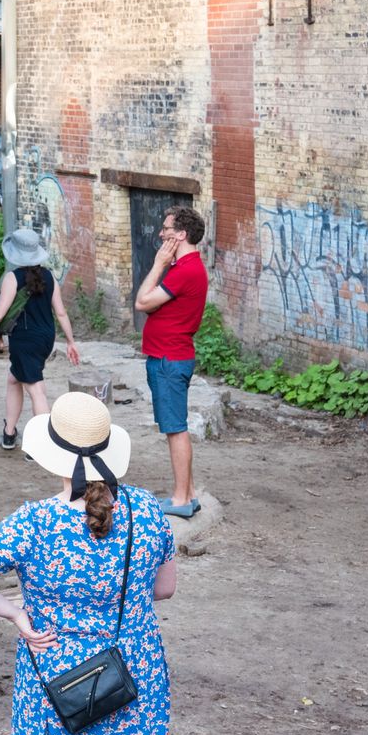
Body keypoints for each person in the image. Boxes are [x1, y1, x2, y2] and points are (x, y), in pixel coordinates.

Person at [0, 392, 177, 735]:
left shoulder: (35, 523)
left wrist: (16, 614)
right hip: (137, 672)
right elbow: (164, 588)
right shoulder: (148, 508)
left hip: (63, 680)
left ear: (53, 452)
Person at [0, 228, 80, 450]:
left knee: (36, 389)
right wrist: (70, 341)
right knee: (13, 379)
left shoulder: (13, 278)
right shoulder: (49, 276)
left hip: (24, 339)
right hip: (45, 338)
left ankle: (45, 444)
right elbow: (61, 313)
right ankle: (9, 432)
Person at [133, 205, 210, 519]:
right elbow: (151, 305)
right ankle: (188, 494)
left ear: (181, 234)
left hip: (169, 358)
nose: (161, 233)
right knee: (175, 428)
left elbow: (141, 301)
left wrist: (157, 264)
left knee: (176, 429)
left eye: (166, 228)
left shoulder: (185, 269)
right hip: (170, 356)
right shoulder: (186, 268)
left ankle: (180, 500)